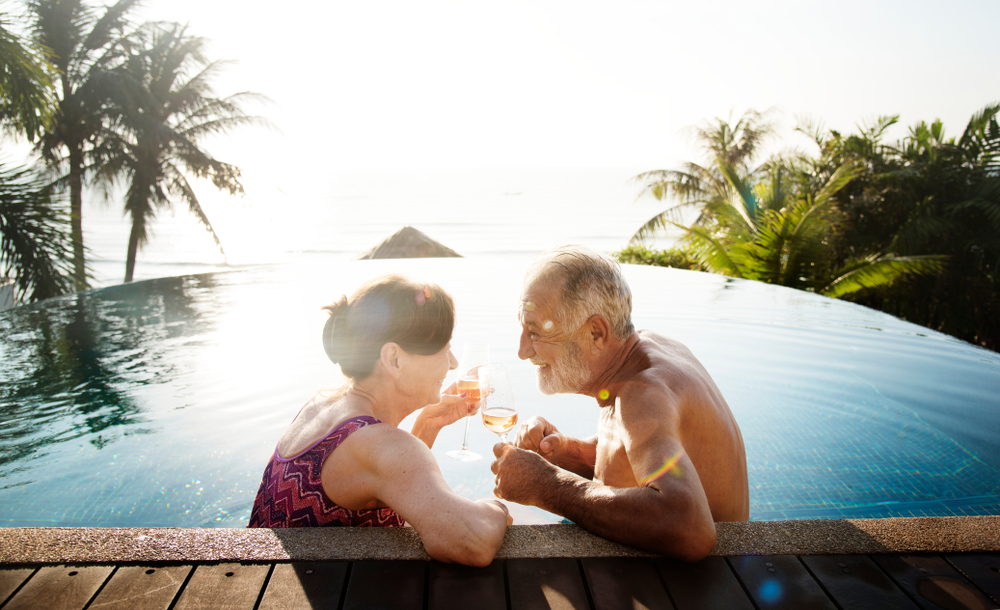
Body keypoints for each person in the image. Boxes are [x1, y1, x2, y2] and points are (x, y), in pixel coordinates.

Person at [490, 245, 748, 561]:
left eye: (535, 331)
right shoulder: (648, 350)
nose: (522, 351)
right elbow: (643, 451)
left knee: (490, 534)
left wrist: (547, 486)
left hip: (701, 587)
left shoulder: (642, 394)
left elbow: (692, 530)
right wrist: (569, 452)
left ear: (596, 333)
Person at [248, 274, 509, 567]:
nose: (453, 363)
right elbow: (473, 541)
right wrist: (498, 507)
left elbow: (375, 476)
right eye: (444, 348)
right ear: (394, 359)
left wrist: (426, 426)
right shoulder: (378, 444)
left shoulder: (323, 403)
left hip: (268, 585)